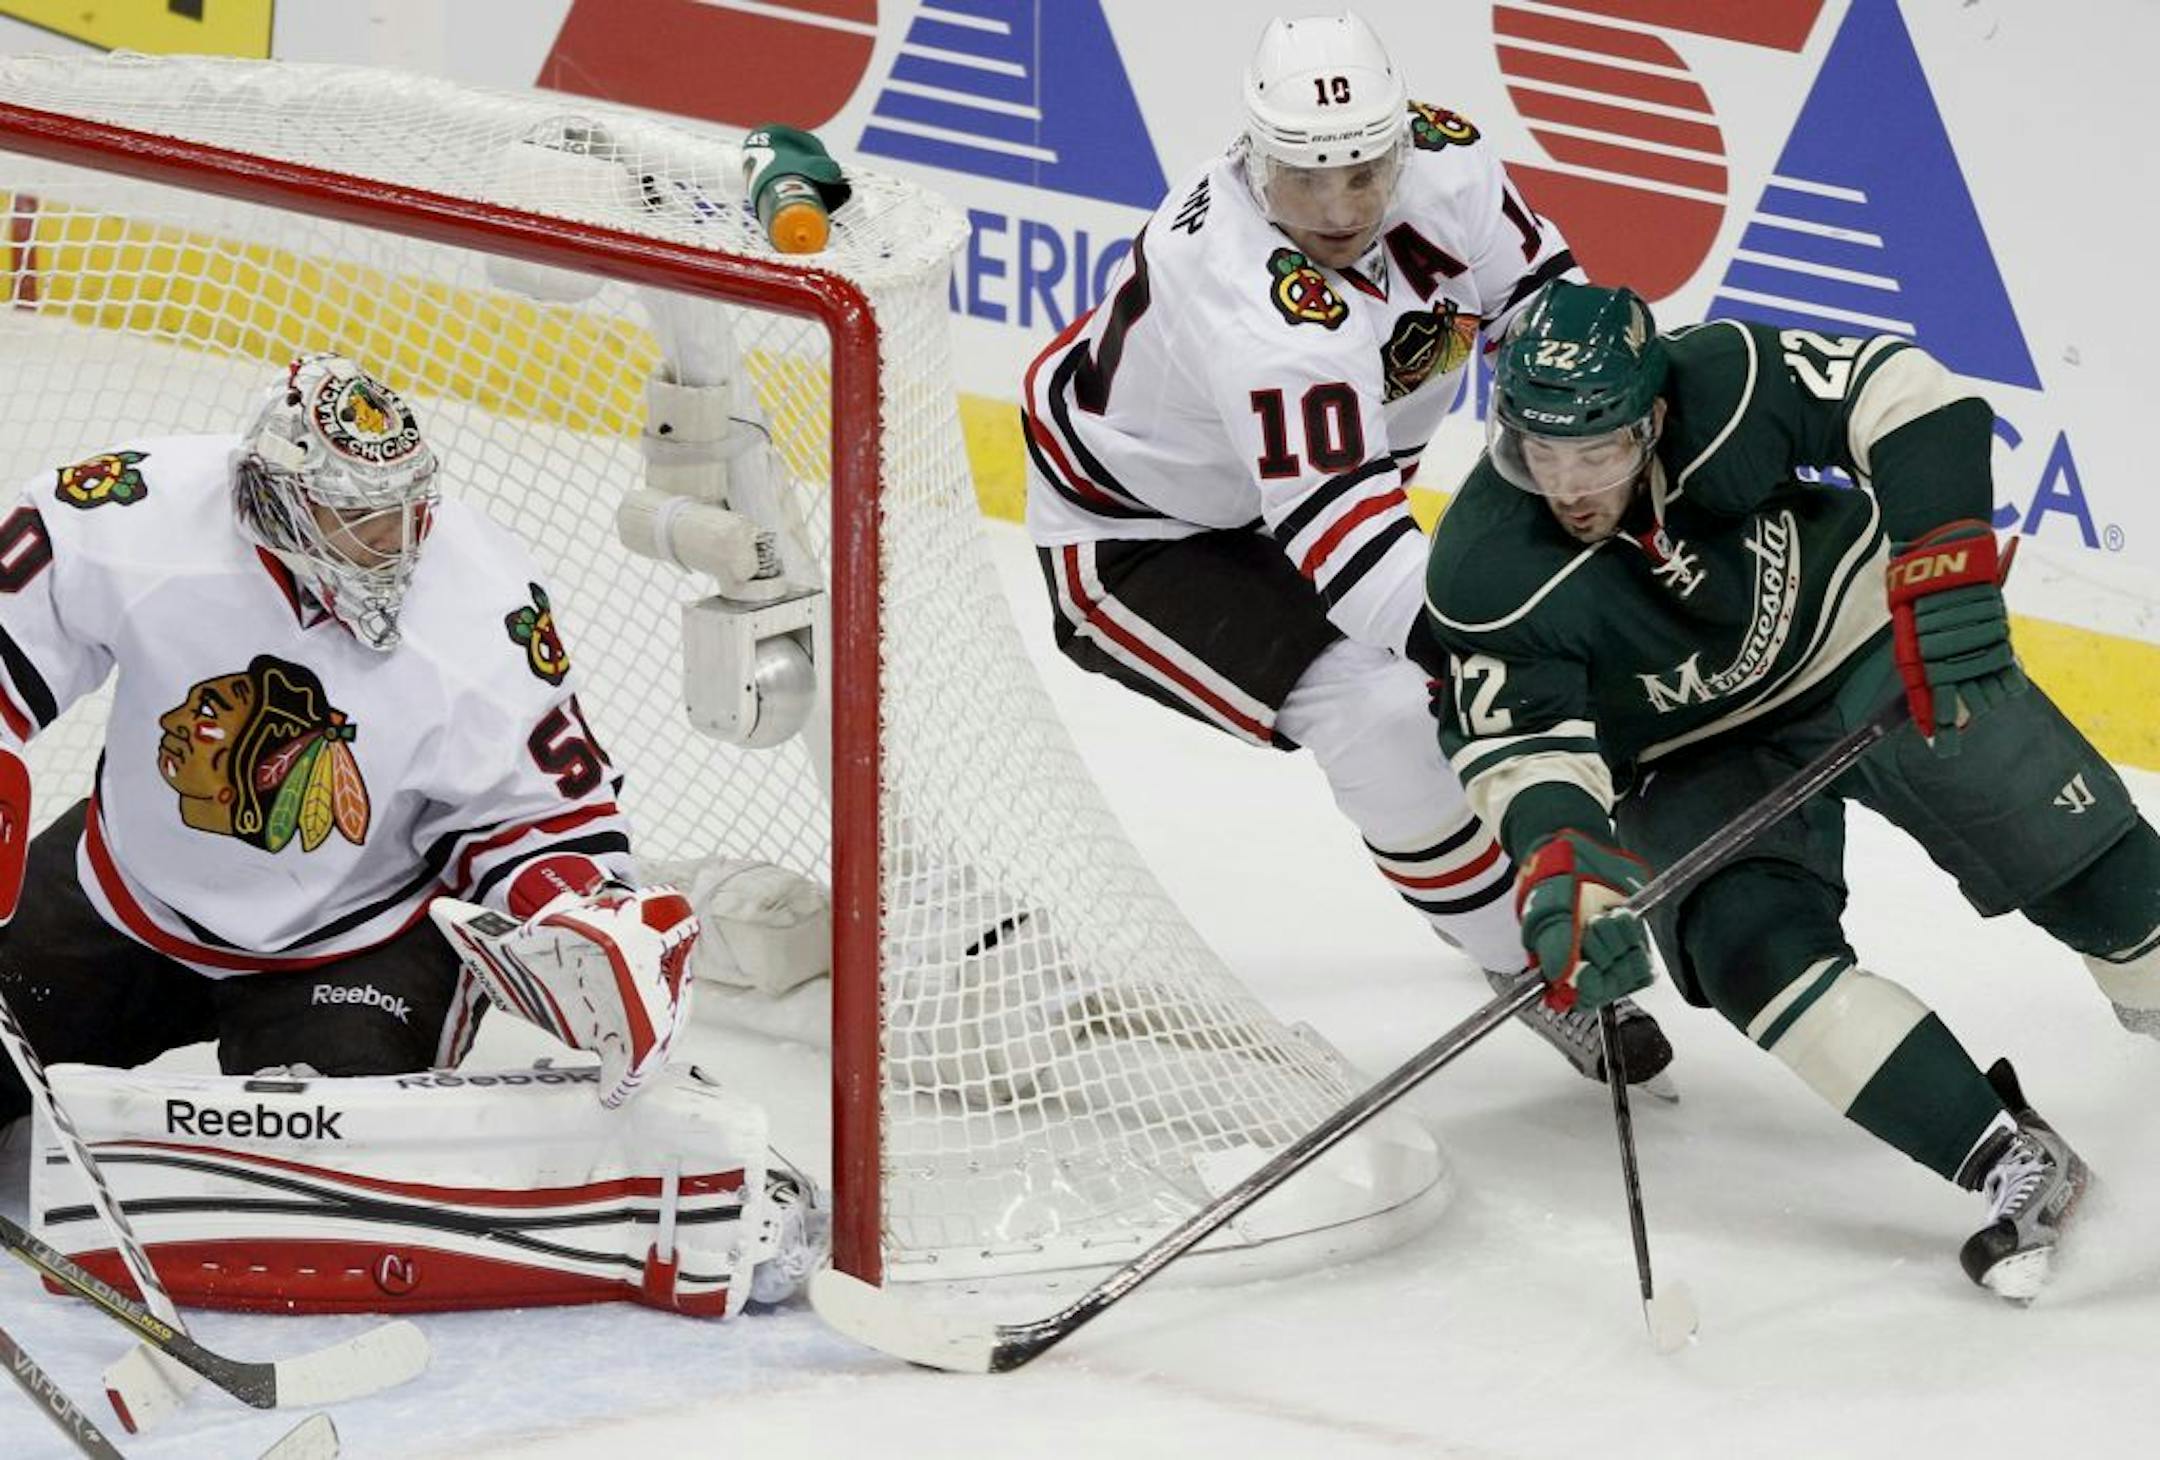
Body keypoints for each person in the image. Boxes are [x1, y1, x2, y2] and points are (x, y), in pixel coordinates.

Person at [1422, 278, 2160, 1300]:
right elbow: (1526, 747)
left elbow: (1907, 394)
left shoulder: (1724, 379)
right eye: (1543, 453)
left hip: (1859, 643)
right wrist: (1570, 866)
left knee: (2100, 881)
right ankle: (2012, 1161)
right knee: (1751, 949)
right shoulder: (1487, 569)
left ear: (1655, 416)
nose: (1570, 484)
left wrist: (1938, 568)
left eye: (1597, 452)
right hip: (1687, 761)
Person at [1018, 10, 1674, 1090]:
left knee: (1516, 635)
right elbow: (1351, 548)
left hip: (1327, 490)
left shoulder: (1448, 159)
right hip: (1138, 537)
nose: (1338, 209)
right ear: (1251, 153)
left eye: (1363, 173)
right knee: (1377, 711)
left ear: (1401, 141)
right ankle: (1525, 963)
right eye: (1302, 179)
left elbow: (1544, 322)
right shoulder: (1249, 297)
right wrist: (1517, 660)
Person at [0, 352, 700, 1124]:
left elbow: (528, 812)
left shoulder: (484, 607)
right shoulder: (136, 513)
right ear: (278, 497)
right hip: (125, 895)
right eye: (358, 517)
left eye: (404, 509)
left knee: (323, 1179)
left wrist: (578, 906)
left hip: (360, 940)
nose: (392, 541)